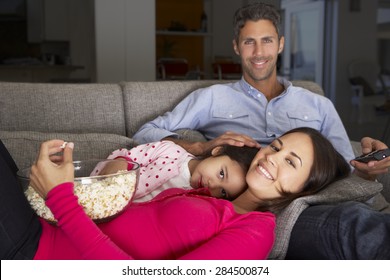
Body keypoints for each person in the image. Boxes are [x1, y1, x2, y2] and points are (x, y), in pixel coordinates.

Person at [132, 2, 390, 259]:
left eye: (267, 41)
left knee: (358, 223)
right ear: (236, 46)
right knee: (352, 227)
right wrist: (199, 148)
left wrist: (367, 169)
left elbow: (346, 170)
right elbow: (145, 132)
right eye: (248, 42)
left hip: (313, 200)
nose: (258, 52)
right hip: (262, 209)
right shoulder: (211, 98)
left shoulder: (318, 104)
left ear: (280, 44)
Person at [1, 127, 351, 259]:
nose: (271, 158)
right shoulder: (209, 195)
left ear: (304, 188)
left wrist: (61, 198)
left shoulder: (256, 230)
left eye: (290, 161)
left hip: (38, 255)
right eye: (274, 146)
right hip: (45, 229)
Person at [91, 141, 259, 202]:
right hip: (106, 186)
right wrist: (117, 171)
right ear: (217, 151)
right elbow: (128, 157)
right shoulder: (171, 151)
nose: (212, 185)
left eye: (223, 192)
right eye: (221, 173)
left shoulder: (197, 200)